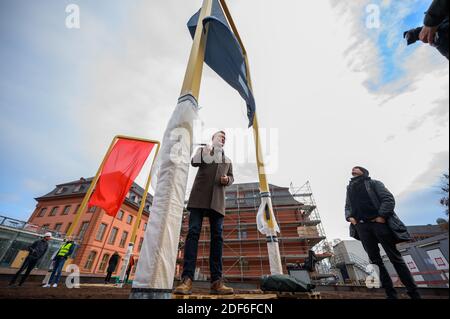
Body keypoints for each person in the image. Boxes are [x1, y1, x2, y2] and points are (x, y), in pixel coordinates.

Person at [345, 166, 421, 299]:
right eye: (352, 170)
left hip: (379, 223)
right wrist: (350, 218)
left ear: (364, 172)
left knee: (395, 258)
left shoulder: (374, 183)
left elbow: (388, 199)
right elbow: (347, 207)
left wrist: (382, 216)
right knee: (375, 261)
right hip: (362, 226)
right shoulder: (350, 189)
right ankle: (390, 294)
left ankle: (413, 293)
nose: (353, 170)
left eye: (356, 169)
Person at [174, 131, 234, 295]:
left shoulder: (227, 160)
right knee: (193, 233)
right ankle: (186, 279)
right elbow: (194, 163)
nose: (223, 138)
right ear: (213, 138)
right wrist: (204, 152)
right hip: (199, 198)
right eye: (219, 136)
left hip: (217, 201)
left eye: (224, 138)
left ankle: (216, 282)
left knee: (217, 238)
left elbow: (231, 177)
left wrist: (227, 180)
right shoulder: (204, 151)